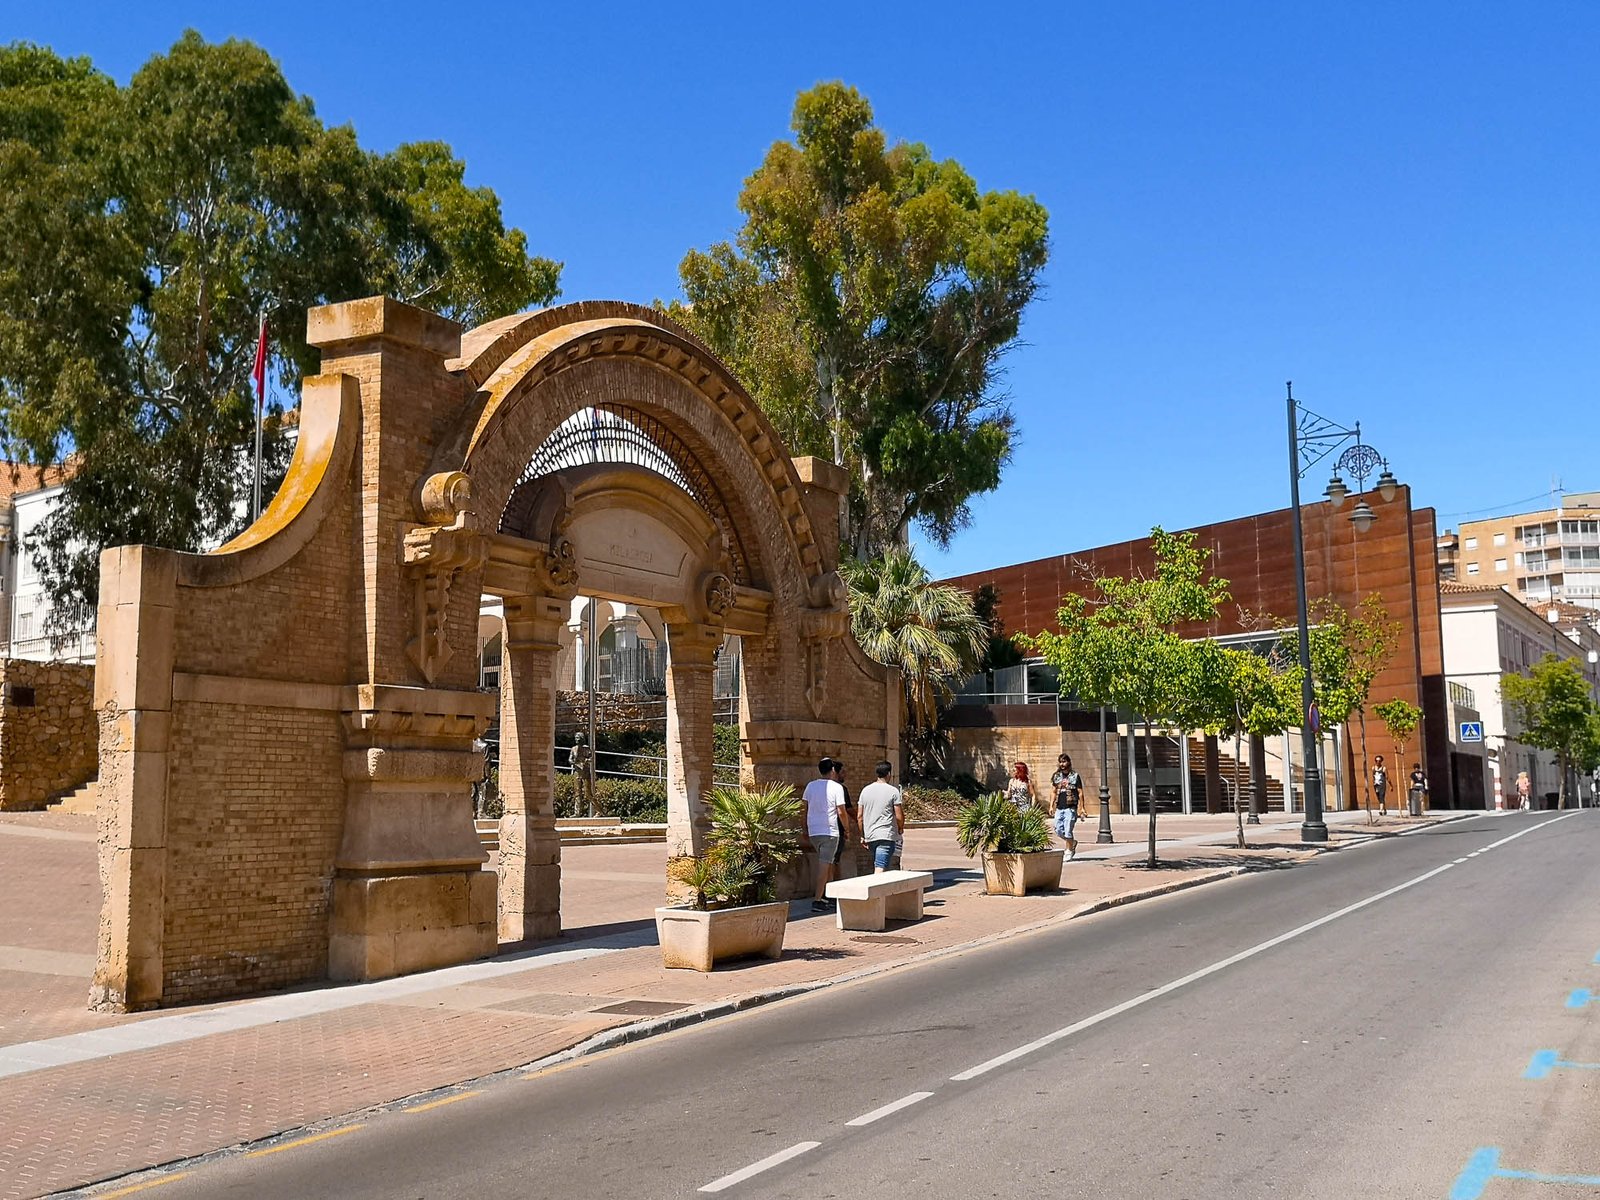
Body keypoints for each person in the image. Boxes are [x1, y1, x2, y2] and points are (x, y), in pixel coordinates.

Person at [802, 757, 847, 913]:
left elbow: (804, 809)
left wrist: (804, 828)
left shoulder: (810, 786)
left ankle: (826, 896)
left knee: (826, 864)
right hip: (829, 831)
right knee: (825, 865)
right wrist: (846, 828)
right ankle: (817, 899)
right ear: (833, 770)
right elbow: (841, 811)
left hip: (814, 830)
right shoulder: (836, 788)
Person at [858, 760, 905, 874]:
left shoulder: (865, 791)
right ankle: (874, 891)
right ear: (888, 774)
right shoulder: (893, 791)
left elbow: (860, 816)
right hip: (886, 835)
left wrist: (862, 835)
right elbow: (899, 816)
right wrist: (900, 828)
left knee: (879, 863)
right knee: (880, 867)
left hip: (870, 835)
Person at [1051, 753, 1082, 859]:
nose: (1062, 764)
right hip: (1059, 807)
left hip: (1070, 807)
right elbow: (1054, 791)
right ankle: (1072, 842)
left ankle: (1069, 850)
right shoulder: (1057, 776)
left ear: (1069, 762)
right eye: (1060, 762)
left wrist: (1082, 808)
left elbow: (1080, 792)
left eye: (1064, 761)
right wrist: (1051, 806)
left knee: (1068, 830)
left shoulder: (1075, 776)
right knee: (1058, 830)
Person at [833, 760, 860, 875]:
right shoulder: (840, 789)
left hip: (819, 830)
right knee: (834, 861)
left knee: (827, 860)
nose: (845, 775)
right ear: (835, 773)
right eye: (842, 772)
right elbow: (845, 810)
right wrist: (859, 822)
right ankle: (832, 887)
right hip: (837, 830)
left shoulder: (816, 787)